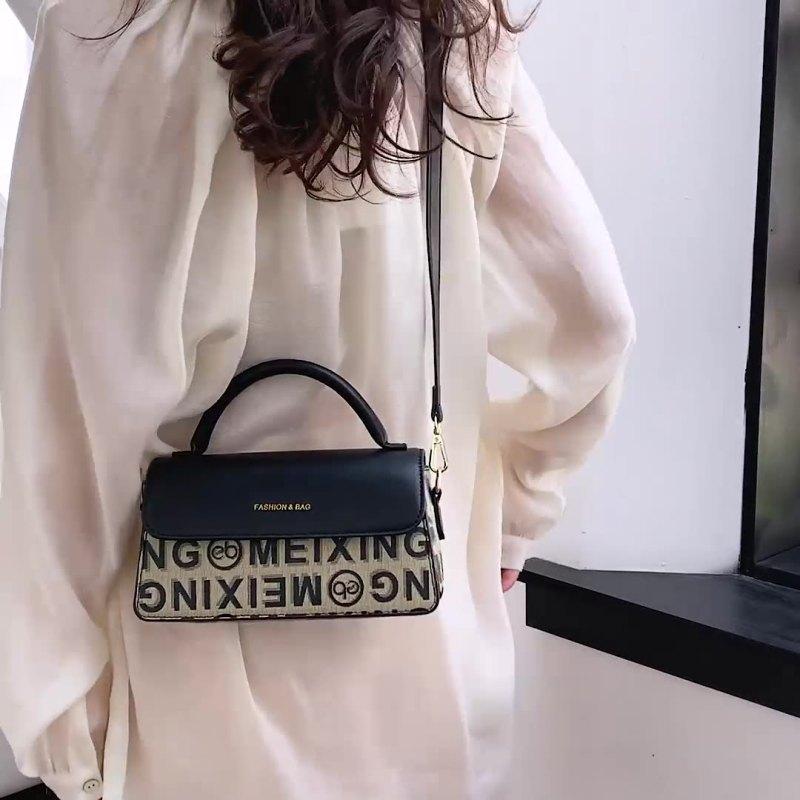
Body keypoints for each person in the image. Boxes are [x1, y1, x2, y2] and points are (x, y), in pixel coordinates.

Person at [0, 0, 636, 798]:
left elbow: (66, 409)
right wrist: (514, 518)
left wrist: (67, 727)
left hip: (194, 696)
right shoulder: (449, 27)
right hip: (428, 673)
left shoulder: (119, 30)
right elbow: (594, 320)